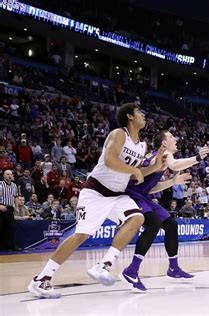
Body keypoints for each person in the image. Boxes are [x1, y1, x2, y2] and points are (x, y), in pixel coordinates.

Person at [28, 103, 165, 298]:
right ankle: (41, 279)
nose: (144, 115)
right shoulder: (119, 134)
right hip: (95, 191)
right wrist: (135, 170)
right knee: (81, 235)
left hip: (117, 194)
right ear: (130, 116)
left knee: (137, 218)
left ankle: (104, 265)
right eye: (139, 112)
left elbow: (134, 175)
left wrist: (154, 168)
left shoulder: (142, 145)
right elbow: (110, 160)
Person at [121, 130, 209, 292]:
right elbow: (174, 165)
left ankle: (173, 268)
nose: (175, 139)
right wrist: (197, 158)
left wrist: (173, 181)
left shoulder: (154, 156)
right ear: (163, 144)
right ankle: (132, 269)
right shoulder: (163, 155)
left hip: (143, 195)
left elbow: (152, 187)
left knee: (170, 224)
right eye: (171, 137)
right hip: (131, 195)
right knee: (153, 224)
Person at [0, 170, 19, 250]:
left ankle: (11, 245)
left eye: (10, 174)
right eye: (7, 174)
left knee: (11, 228)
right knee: (1, 228)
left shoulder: (14, 185)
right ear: (4, 176)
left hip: (10, 208)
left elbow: (16, 197)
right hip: (1, 208)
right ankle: (1, 246)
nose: (9, 175)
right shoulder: (0, 184)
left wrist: (17, 207)